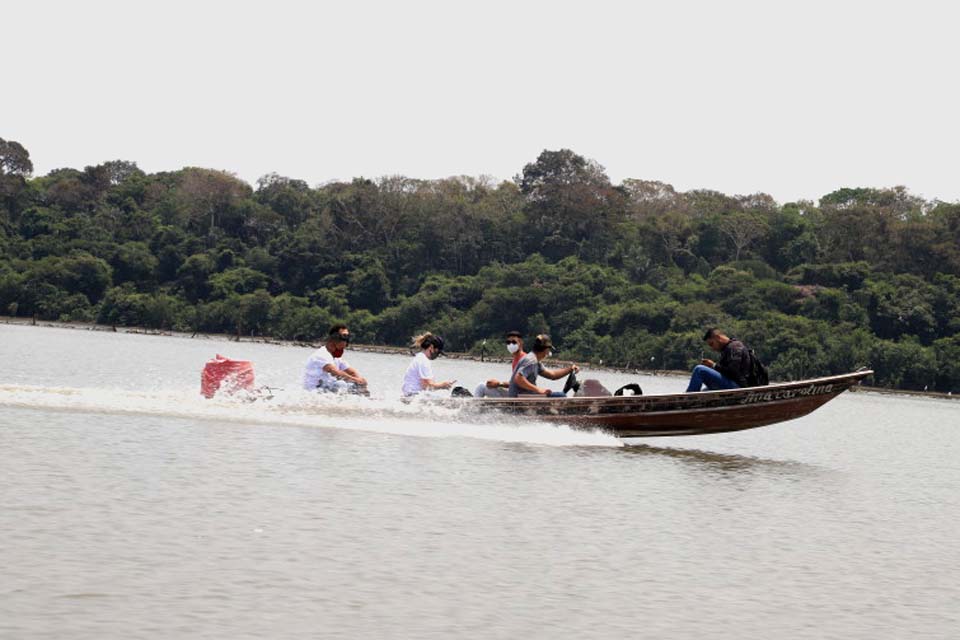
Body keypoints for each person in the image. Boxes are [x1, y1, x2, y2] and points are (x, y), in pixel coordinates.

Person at [302, 324, 368, 394]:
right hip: (315, 390)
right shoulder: (321, 355)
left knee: (356, 385)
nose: (346, 340)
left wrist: (361, 382)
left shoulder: (337, 358)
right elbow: (336, 373)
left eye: (347, 337)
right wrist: (355, 380)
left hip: (328, 387)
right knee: (340, 384)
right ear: (333, 339)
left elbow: (352, 372)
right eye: (343, 336)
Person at [507, 334, 580, 397]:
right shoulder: (531, 361)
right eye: (549, 350)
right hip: (520, 398)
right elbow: (518, 378)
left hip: (525, 396)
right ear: (546, 350)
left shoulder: (535, 361)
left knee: (559, 394)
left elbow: (552, 375)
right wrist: (538, 389)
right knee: (561, 396)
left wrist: (570, 369)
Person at [685, 327, 753, 392]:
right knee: (704, 391)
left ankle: (687, 399)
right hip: (732, 384)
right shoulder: (727, 349)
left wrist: (713, 365)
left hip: (738, 387)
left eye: (712, 344)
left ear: (718, 337)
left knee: (699, 370)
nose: (712, 348)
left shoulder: (735, 347)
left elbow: (733, 372)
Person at [474, 330, 526, 398]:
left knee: (481, 387)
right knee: (486, 387)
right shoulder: (515, 359)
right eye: (508, 342)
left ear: (521, 343)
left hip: (518, 396)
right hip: (514, 393)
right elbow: (514, 383)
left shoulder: (524, 360)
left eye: (514, 342)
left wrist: (498, 384)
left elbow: (520, 384)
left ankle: (474, 407)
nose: (511, 344)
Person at [402, 332, 456, 397]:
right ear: (431, 347)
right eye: (437, 352)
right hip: (413, 396)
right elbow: (427, 385)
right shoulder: (423, 360)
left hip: (410, 395)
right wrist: (443, 385)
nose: (437, 355)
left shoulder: (420, 357)